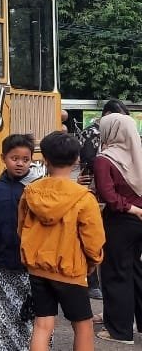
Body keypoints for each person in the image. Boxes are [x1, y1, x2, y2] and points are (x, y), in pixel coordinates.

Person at [19, 131, 105, 351]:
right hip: (71, 270)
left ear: (45, 158)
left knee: (42, 325)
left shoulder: (30, 192)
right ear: (76, 159)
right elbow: (94, 240)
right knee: (83, 326)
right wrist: (94, 261)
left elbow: (21, 230)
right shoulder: (84, 198)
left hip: (38, 269)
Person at [0, 134, 45, 351]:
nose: (20, 163)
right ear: (3, 158)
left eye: (25, 159)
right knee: (7, 311)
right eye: (14, 158)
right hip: (6, 264)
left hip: (34, 266)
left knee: (33, 312)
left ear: (31, 160)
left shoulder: (37, 187)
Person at [93, 112, 142, 344]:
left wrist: (130, 208)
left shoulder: (105, 159)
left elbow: (108, 197)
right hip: (140, 222)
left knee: (116, 275)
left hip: (120, 222)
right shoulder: (138, 154)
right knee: (136, 272)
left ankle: (119, 331)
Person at [76, 99, 129, 300]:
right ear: (107, 115)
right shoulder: (92, 133)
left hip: (112, 193)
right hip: (95, 191)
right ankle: (92, 282)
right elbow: (90, 162)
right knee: (92, 236)